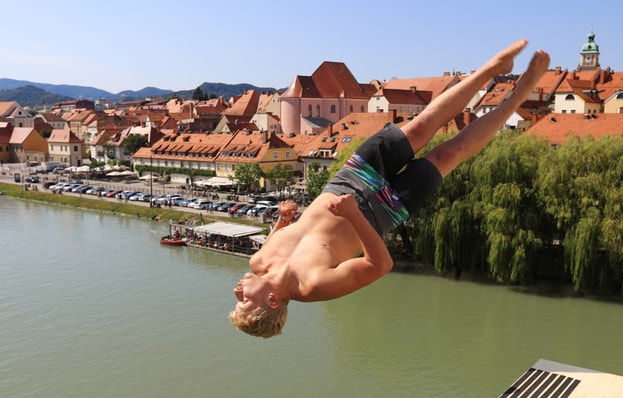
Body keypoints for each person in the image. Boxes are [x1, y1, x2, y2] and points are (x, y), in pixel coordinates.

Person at [230, 39, 550, 338]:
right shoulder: (312, 287)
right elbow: (379, 266)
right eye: (243, 301)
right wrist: (355, 215)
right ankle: (518, 95)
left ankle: (491, 69)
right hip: (385, 209)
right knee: (449, 153)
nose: (237, 291)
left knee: (423, 124)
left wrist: (283, 218)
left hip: (349, 179)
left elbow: (286, 229)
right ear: (272, 301)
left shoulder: (258, 261)